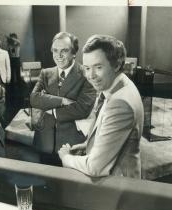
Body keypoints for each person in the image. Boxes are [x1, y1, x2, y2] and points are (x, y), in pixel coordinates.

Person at [58, 35, 144, 178]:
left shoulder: (120, 103)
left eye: (98, 67)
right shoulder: (120, 83)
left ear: (116, 65)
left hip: (117, 188)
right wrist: (88, 145)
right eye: (87, 68)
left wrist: (65, 157)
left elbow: (94, 168)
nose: (91, 75)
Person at [30, 32, 96, 166]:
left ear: (74, 52)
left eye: (64, 51)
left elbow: (82, 109)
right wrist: (62, 101)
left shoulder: (86, 74)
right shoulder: (46, 73)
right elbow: (34, 99)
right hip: (44, 141)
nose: (58, 55)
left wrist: (50, 109)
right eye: (55, 50)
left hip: (71, 144)